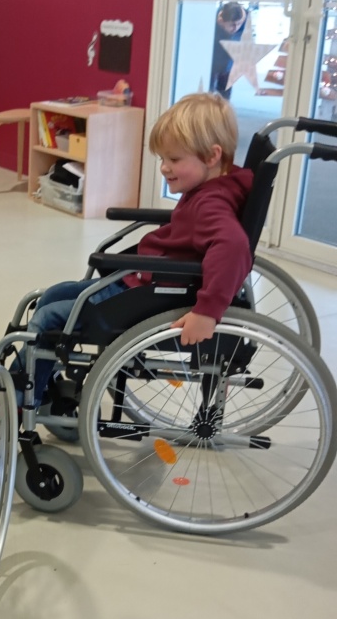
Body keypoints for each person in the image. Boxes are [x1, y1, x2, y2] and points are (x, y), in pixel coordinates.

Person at [21, 92, 253, 411]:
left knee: (48, 317)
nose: (164, 168)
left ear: (212, 156)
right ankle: (43, 382)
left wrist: (207, 312)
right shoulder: (215, 188)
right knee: (54, 295)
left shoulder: (210, 204)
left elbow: (233, 246)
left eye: (174, 160)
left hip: (150, 294)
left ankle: (18, 398)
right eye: (162, 159)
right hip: (146, 282)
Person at [210, 1, 247, 98]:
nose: (236, 28)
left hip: (231, 58)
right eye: (232, 25)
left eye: (239, 24)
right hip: (213, 57)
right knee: (209, 90)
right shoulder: (212, 21)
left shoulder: (244, 16)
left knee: (225, 91)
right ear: (221, 21)